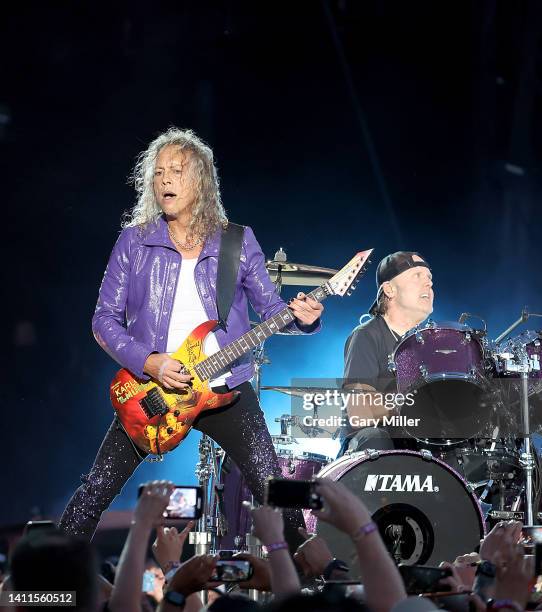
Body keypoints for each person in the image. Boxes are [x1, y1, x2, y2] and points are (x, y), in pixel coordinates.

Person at [59, 127, 323, 542]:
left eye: (176, 171)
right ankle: (45, 582)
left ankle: (310, 584)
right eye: (159, 172)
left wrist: (303, 317)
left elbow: (272, 311)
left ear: (200, 179)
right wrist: (150, 362)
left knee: (277, 493)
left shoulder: (237, 241)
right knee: (96, 490)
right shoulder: (134, 242)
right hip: (153, 390)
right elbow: (103, 321)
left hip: (225, 388)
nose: (164, 179)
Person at [339, 251, 433, 455]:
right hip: (368, 448)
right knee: (376, 438)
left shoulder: (426, 344)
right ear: (389, 289)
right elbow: (359, 412)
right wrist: (410, 401)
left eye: (429, 278)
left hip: (413, 442)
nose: (428, 283)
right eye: (417, 275)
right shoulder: (366, 335)